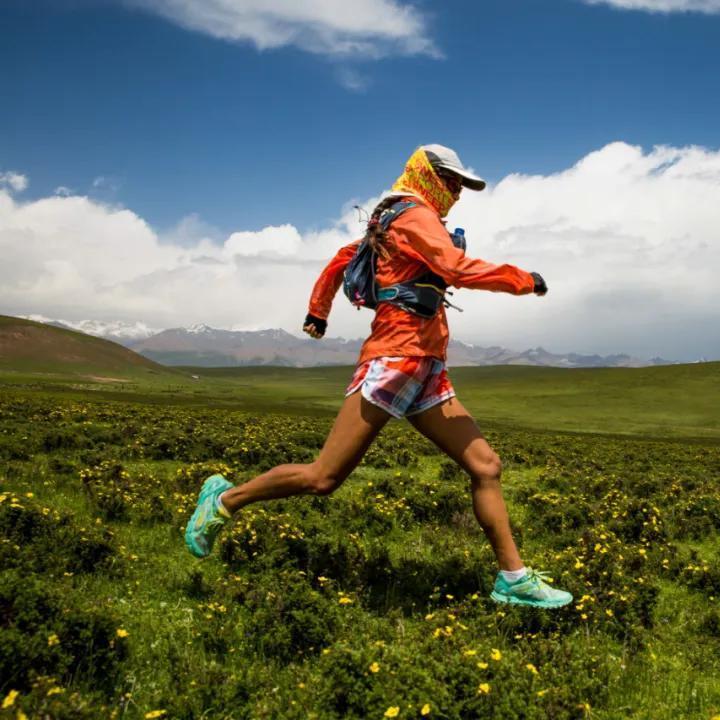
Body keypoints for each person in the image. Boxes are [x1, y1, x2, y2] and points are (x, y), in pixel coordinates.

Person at [184, 144, 572, 609]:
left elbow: (341, 258)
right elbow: (454, 268)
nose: (456, 192)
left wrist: (318, 311)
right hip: (394, 360)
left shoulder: (394, 220)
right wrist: (523, 279)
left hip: (426, 365)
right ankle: (224, 501)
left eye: (460, 185)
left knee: (486, 466)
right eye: (450, 181)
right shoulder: (413, 216)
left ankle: (513, 579)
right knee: (323, 478)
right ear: (425, 175)